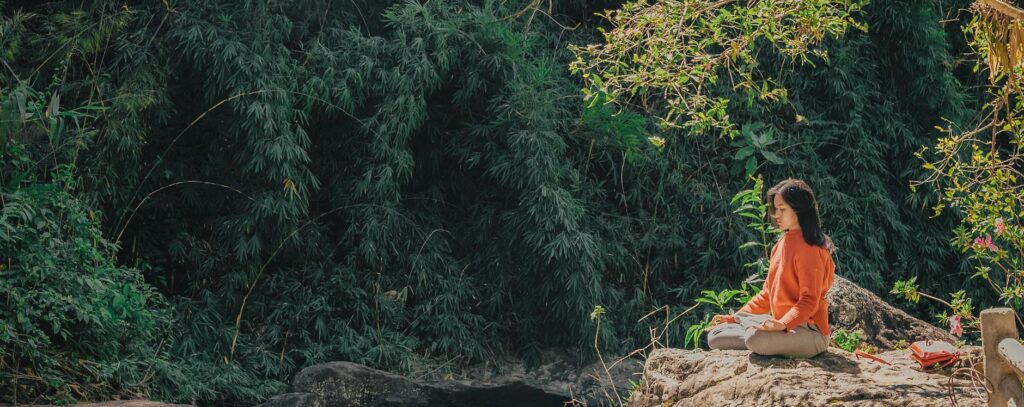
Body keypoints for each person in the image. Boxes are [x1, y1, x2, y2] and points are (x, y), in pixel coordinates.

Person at [706, 179, 836, 358]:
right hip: (779, 327)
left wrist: (783, 324)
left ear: (800, 210)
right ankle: (761, 336)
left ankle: (763, 338)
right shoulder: (780, 245)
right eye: (775, 209)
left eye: (782, 209)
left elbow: (809, 300)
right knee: (716, 335)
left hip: (810, 332)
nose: (776, 215)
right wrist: (735, 317)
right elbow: (767, 295)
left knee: (755, 338)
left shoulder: (811, 249)